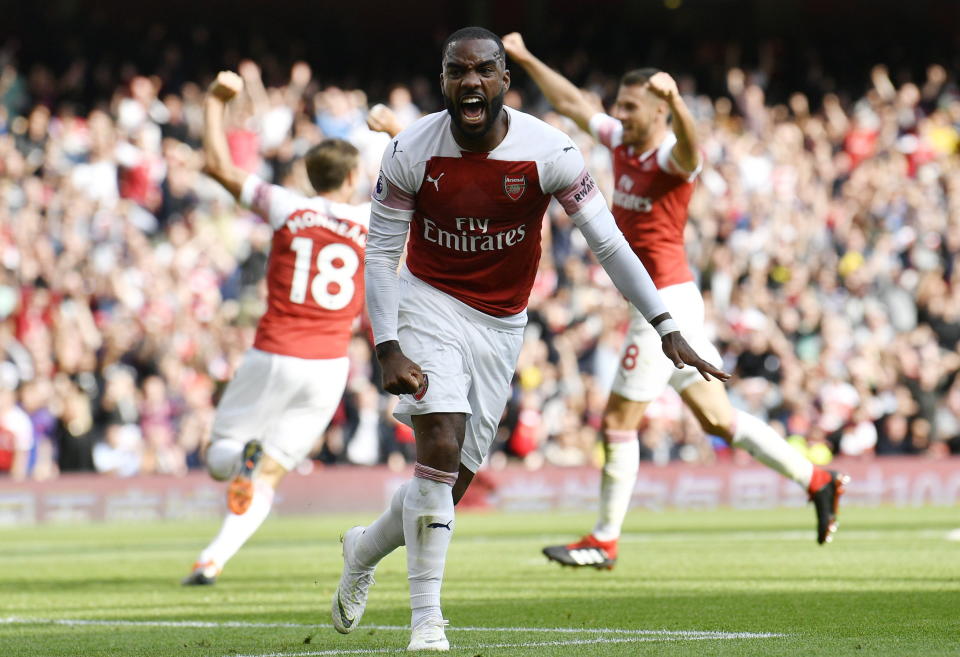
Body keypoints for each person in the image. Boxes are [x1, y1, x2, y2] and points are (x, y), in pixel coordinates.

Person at [331, 27, 728, 652]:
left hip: (501, 323)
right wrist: (386, 345)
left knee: (450, 483)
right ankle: (426, 624)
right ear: (443, 82)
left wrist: (667, 325)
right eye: (457, 72)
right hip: (427, 300)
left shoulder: (550, 151)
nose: (471, 83)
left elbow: (608, 243)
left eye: (484, 71)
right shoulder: (409, 150)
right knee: (439, 439)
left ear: (502, 81)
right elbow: (380, 252)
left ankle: (365, 548)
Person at [501, 32, 849, 570]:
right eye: (619, 104)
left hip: (664, 307)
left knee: (618, 420)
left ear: (660, 109)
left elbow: (693, 151)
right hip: (667, 298)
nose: (619, 114)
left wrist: (682, 104)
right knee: (717, 420)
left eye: (631, 106)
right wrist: (523, 58)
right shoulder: (622, 139)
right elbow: (572, 103)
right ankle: (818, 479)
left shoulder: (669, 153)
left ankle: (604, 540)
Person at [182, 71, 391, 585]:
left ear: (309, 176)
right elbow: (430, 189)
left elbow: (215, 165)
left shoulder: (286, 205)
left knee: (218, 459)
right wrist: (393, 133)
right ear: (350, 179)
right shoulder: (372, 218)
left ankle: (233, 487)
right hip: (327, 366)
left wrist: (214, 102)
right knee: (270, 472)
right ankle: (212, 558)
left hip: (272, 352)